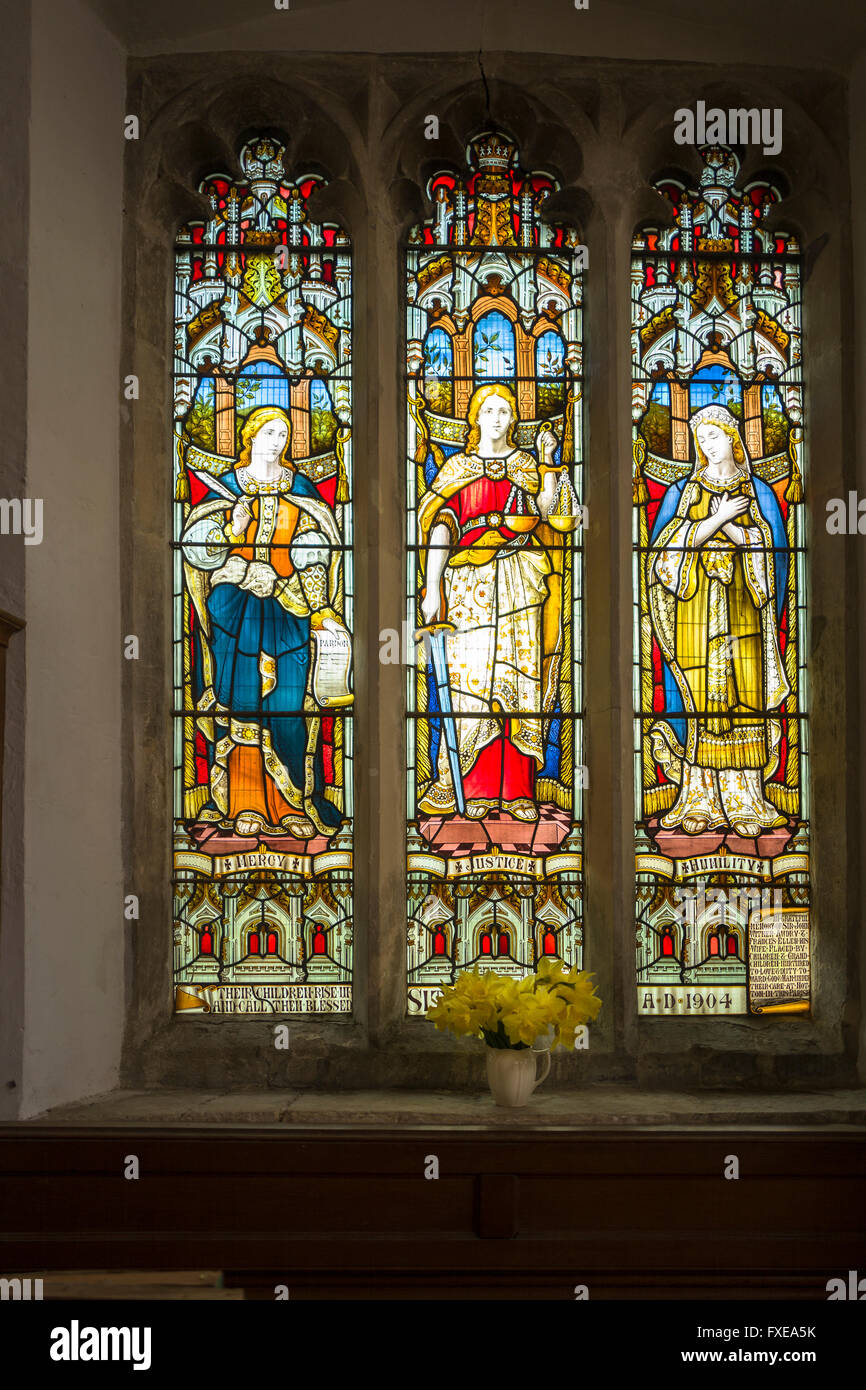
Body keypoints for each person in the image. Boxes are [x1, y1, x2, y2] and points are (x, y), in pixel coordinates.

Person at [183, 406, 345, 838]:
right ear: (250, 437)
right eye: (269, 432)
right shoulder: (228, 489)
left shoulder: (301, 490)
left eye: (283, 434)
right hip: (236, 607)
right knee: (241, 701)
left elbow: (320, 546)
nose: (277, 441)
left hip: (289, 607)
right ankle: (245, 802)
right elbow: (197, 552)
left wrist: (307, 587)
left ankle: (293, 802)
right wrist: (233, 536)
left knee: (289, 703)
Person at [417, 382, 574, 821]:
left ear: (513, 420)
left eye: (505, 411)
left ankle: (518, 791)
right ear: (476, 418)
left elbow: (548, 510)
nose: (498, 418)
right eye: (489, 410)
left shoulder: (525, 464)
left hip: (520, 578)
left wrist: (547, 460)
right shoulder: (457, 468)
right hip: (468, 585)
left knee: (519, 679)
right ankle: (469, 787)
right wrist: (432, 586)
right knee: (470, 686)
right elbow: (441, 527)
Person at [647, 402, 790, 838]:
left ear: (732, 437)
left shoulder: (758, 492)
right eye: (701, 439)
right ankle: (700, 799)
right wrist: (718, 519)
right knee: (700, 702)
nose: (707, 445)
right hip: (695, 609)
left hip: (744, 607)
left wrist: (734, 531)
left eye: (714, 436)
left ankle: (746, 800)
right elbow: (663, 556)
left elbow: (775, 553)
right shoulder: (685, 492)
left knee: (744, 696)